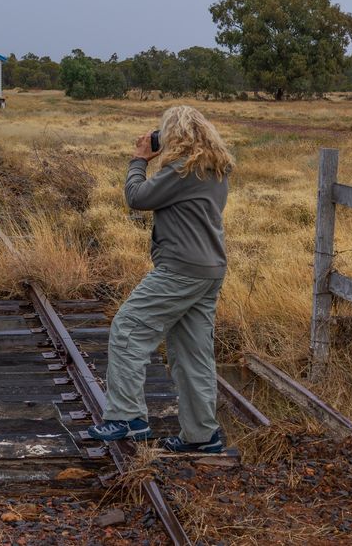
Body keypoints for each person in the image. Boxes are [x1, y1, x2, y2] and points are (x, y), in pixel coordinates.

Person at [86, 105, 234, 453]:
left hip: (180, 270)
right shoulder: (217, 169)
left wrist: (139, 160)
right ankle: (202, 436)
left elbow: (137, 198)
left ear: (175, 135)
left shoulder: (183, 170)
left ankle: (126, 417)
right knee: (192, 353)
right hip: (209, 271)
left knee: (128, 327)